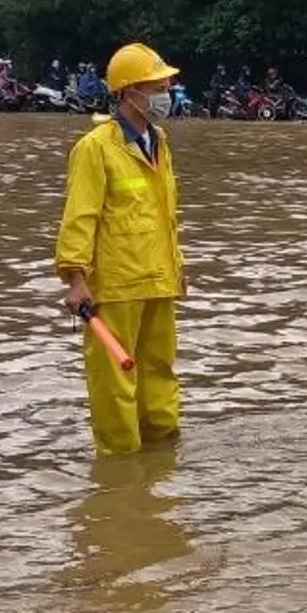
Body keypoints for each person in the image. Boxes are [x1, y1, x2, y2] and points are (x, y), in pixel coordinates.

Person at [54, 42, 187, 456]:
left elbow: (164, 213)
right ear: (130, 92)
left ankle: (163, 459)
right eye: (158, 85)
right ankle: (120, 471)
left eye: (167, 84)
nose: (167, 92)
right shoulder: (95, 148)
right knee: (114, 386)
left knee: (160, 375)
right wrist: (75, 279)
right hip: (115, 286)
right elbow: (81, 216)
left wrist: (177, 266)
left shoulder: (158, 141)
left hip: (157, 280)